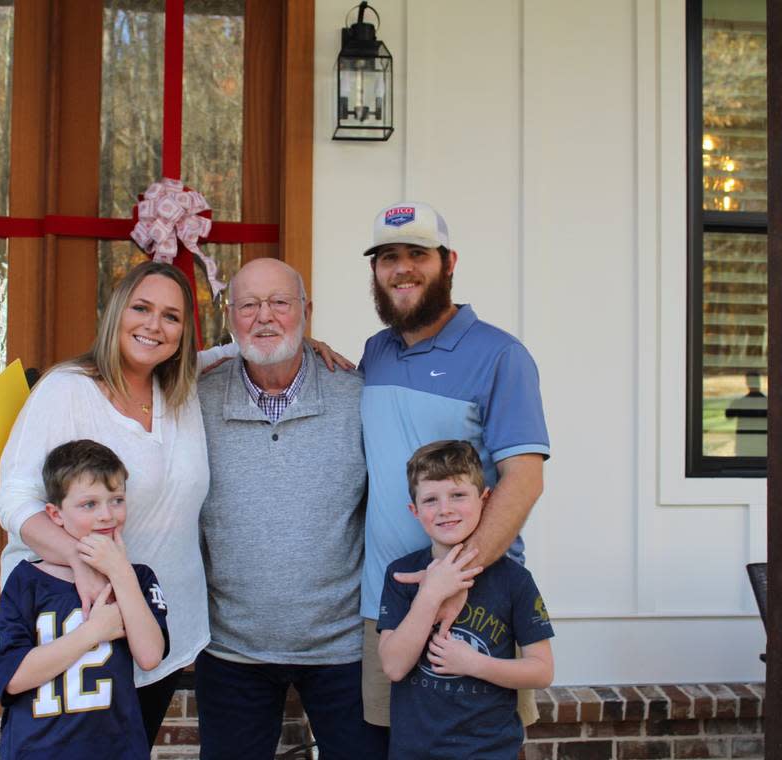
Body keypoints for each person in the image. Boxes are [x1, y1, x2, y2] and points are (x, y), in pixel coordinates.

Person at [0, 261, 225, 744]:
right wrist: (79, 562)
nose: (153, 326)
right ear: (117, 312)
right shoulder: (66, 390)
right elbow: (15, 501)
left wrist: (307, 344)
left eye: (171, 317)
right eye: (141, 308)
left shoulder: (180, 390)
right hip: (75, 622)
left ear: (184, 333)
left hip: (154, 625)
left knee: (130, 746)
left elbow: (241, 349)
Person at [357, 201, 552, 733]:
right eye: (388, 256)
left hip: (477, 600)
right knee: (389, 744)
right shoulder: (374, 353)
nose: (402, 268)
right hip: (387, 604)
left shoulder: (500, 355)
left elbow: (524, 479)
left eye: (418, 254)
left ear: (449, 262)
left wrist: (455, 578)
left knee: (481, 746)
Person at [194, 258, 382, 759]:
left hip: (342, 648)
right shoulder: (196, 400)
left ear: (307, 311)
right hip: (232, 648)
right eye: (249, 305)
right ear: (229, 316)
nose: (264, 317)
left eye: (280, 302)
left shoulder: (356, 396)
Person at [0, 439, 170, 759]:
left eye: (116, 500)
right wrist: (94, 631)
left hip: (114, 749)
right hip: (38, 749)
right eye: (89, 504)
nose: (106, 515)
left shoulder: (137, 578)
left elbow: (150, 655)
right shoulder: (26, 582)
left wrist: (120, 571)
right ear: (55, 514)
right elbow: (13, 678)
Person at [378, 440, 554, 760]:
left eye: (458, 495)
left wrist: (475, 664)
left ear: (485, 499)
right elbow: (393, 666)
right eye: (431, 499)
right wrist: (430, 595)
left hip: (489, 751)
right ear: (414, 512)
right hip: (416, 752)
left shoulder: (515, 581)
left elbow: (542, 671)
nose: (445, 509)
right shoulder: (402, 575)